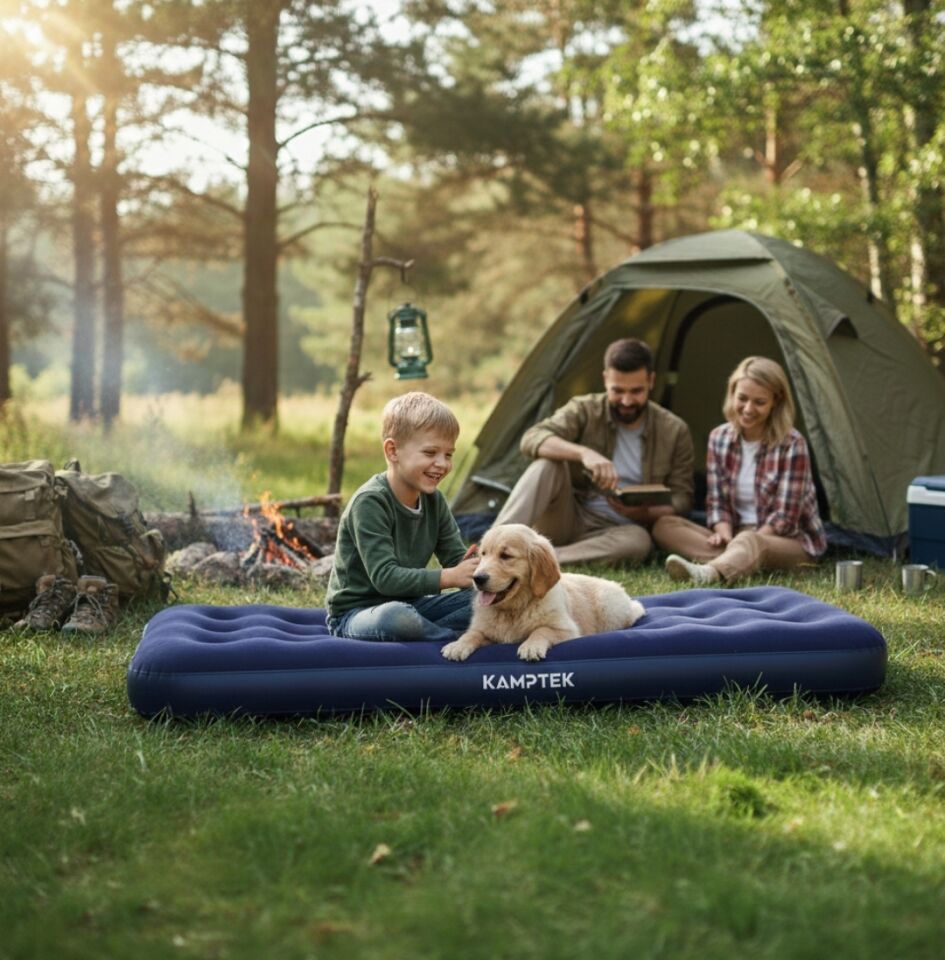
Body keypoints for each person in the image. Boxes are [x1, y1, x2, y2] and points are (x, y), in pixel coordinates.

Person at [494, 338, 694, 565]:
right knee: (547, 465)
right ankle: (492, 548)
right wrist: (584, 454)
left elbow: (683, 498)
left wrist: (646, 513)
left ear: (651, 381)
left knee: (639, 542)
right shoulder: (585, 409)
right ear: (605, 379)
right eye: (617, 391)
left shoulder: (674, 430)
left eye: (636, 391)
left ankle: (543, 559)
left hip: (621, 529)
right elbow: (532, 438)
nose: (627, 401)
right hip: (571, 516)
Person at [653, 355, 827, 584]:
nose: (748, 409)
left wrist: (746, 539)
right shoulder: (719, 438)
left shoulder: (793, 444)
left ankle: (711, 573)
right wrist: (723, 531)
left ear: (776, 400)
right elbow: (718, 501)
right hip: (736, 536)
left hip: (786, 540)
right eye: (742, 398)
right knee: (664, 525)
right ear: (731, 393)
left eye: (759, 402)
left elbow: (785, 517)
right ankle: (739, 562)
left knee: (750, 541)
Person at [326, 392, 480, 643]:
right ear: (392, 450)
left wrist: (484, 570)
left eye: (449, 454)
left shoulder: (434, 500)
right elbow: (385, 578)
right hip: (360, 613)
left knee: (498, 599)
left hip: (414, 604)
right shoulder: (370, 502)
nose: (442, 464)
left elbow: (455, 558)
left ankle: (434, 631)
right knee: (399, 618)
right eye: (430, 453)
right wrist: (448, 577)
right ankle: (453, 636)